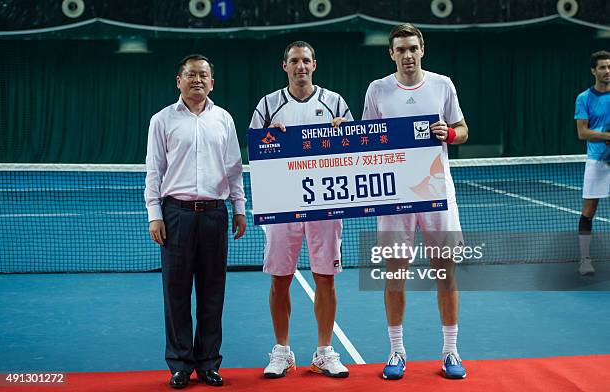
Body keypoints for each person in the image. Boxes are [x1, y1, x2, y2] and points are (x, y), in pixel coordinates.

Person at [362, 23, 469, 380]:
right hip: (394, 195)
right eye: (400, 50)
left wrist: (449, 133)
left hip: (437, 192)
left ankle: (451, 351)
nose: (407, 55)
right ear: (391, 54)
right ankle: (396, 352)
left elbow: (462, 129)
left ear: (422, 49)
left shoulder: (443, 85)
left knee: (445, 272)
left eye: (412, 48)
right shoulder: (377, 90)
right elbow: (365, 140)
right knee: (395, 275)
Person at [249, 41, 352, 379]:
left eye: (306, 60)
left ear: (314, 64)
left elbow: (354, 156)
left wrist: (343, 135)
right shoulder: (268, 104)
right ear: (285, 66)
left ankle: (324, 353)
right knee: (280, 280)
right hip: (282, 205)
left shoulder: (335, 102)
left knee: (326, 278)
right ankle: (282, 352)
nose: (300, 66)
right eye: (294, 61)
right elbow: (255, 152)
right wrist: (267, 138)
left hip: (324, 205)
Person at [145, 54, 247, 389]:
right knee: (175, 293)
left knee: (212, 292)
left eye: (203, 74)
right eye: (191, 75)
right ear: (179, 81)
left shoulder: (224, 120)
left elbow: (234, 169)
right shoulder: (162, 120)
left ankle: (208, 363)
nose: (197, 80)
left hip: (215, 216)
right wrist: (155, 215)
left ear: (212, 82)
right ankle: (179, 365)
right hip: (176, 216)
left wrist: (240, 208)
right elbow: (154, 171)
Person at [575, 50, 610, 276]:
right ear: (593, 71)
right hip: (597, 161)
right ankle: (585, 260)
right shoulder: (584, 98)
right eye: (603, 68)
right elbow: (582, 132)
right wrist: (607, 136)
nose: (607, 71)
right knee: (588, 211)